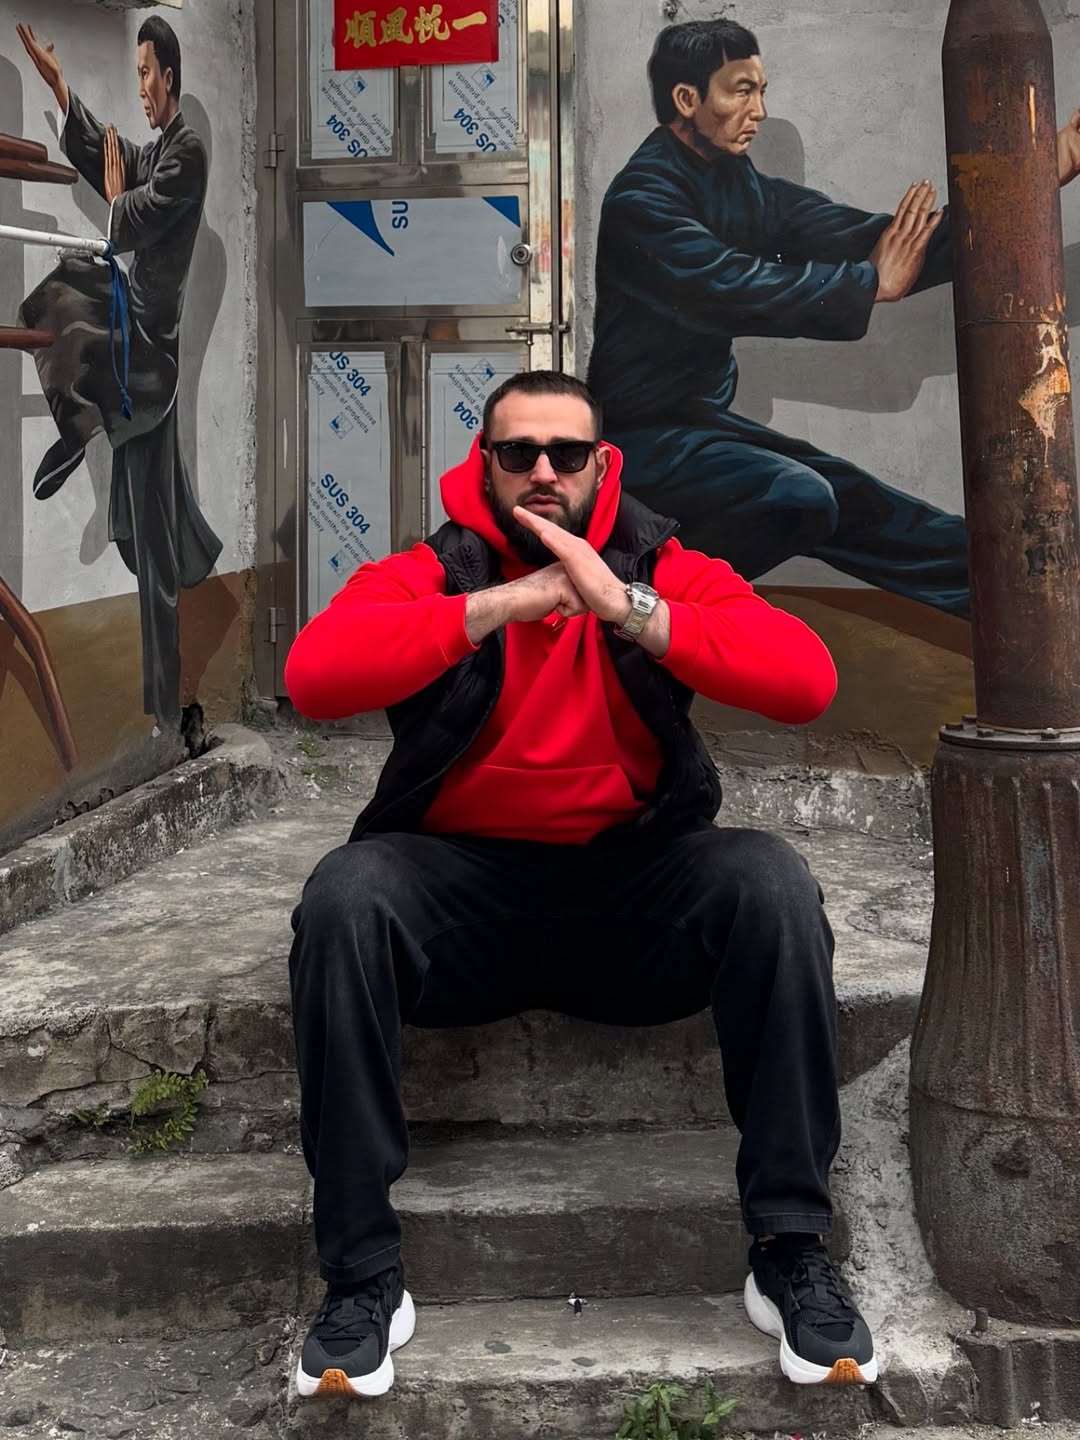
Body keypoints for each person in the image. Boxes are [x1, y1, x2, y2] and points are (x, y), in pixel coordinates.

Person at [285, 369, 877, 1400]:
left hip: (631, 891)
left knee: (770, 881)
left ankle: (789, 1249)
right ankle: (360, 1275)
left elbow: (805, 680)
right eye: (519, 453)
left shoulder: (665, 566)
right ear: (486, 466)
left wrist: (629, 608)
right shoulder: (432, 572)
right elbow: (314, 675)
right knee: (345, 895)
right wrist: (499, 606)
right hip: (462, 898)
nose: (543, 472)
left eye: (566, 453)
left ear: (604, 465)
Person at [588, 19, 1080, 620]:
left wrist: (1034, 178)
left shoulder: (738, 184)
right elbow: (737, 286)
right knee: (801, 496)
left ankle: (1029, 603)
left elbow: (879, 240)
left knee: (871, 508)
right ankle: (630, 605)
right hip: (635, 441)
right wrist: (870, 284)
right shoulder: (642, 201)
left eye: (762, 91)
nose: (759, 110)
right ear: (688, 99)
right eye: (741, 91)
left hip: (698, 427)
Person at [16, 19, 222, 730]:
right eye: (134, 75)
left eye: (143, 74)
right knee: (60, 292)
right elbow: (113, 156)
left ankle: (166, 709)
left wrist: (114, 200)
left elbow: (137, 216)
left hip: (149, 360)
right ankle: (77, 424)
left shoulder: (188, 153)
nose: (139, 88)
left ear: (169, 74)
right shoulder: (162, 149)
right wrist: (61, 90)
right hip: (132, 338)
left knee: (153, 543)